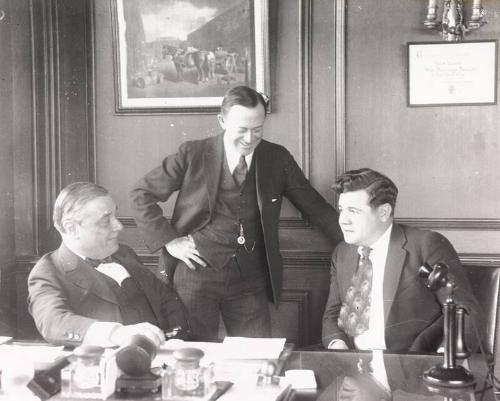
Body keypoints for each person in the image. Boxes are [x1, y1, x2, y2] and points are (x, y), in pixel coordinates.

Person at [130, 85, 342, 341]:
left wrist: (356, 241)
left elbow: (315, 207)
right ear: (222, 121)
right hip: (195, 274)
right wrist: (170, 241)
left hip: (249, 279)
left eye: (258, 129)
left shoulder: (277, 158)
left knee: (256, 356)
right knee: (193, 354)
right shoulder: (193, 153)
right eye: (241, 130)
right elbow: (141, 194)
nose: (250, 138)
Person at [322, 168, 485, 352]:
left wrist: (443, 362)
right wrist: (339, 351)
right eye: (342, 210)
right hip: (353, 366)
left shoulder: (425, 245)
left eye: (353, 211)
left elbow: (465, 312)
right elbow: (332, 315)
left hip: (414, 367)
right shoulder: (342, 252)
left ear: (384, 212)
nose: (343, 220)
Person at [28, 182, 190, 347]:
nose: (119, 226)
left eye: (115, 216)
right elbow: (53, 322)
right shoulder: (48, 271)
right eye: (106, 221)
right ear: (72, 229)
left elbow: (166, 300)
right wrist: (117, 334)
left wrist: (176, 339)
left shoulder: (125, 253)